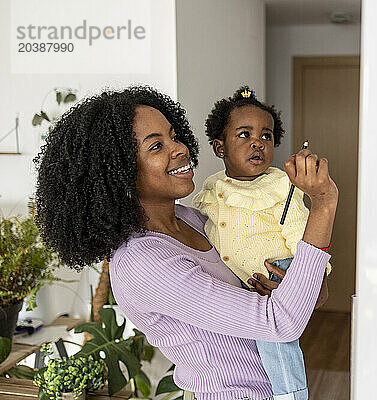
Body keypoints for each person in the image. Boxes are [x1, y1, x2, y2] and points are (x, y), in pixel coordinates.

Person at [34, 86, 338, 400]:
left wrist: (302, 287)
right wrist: (324, 204)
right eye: (156, 146)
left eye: (174, 135)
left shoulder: (196, 219)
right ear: (119, 172)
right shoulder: (144, 262)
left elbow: (290, 301)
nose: (179, 149)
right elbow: (280, 322)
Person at [193, 86, 331, 400]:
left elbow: (303, 236)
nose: (258, 142)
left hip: (276, 276)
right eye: (244, 134)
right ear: (219, 147)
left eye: (266, 136)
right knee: (237, 353)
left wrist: (313, 278)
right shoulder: (210, 187)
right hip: (234, 285)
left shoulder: (283, 186)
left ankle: (291, 394)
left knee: (277, 343)